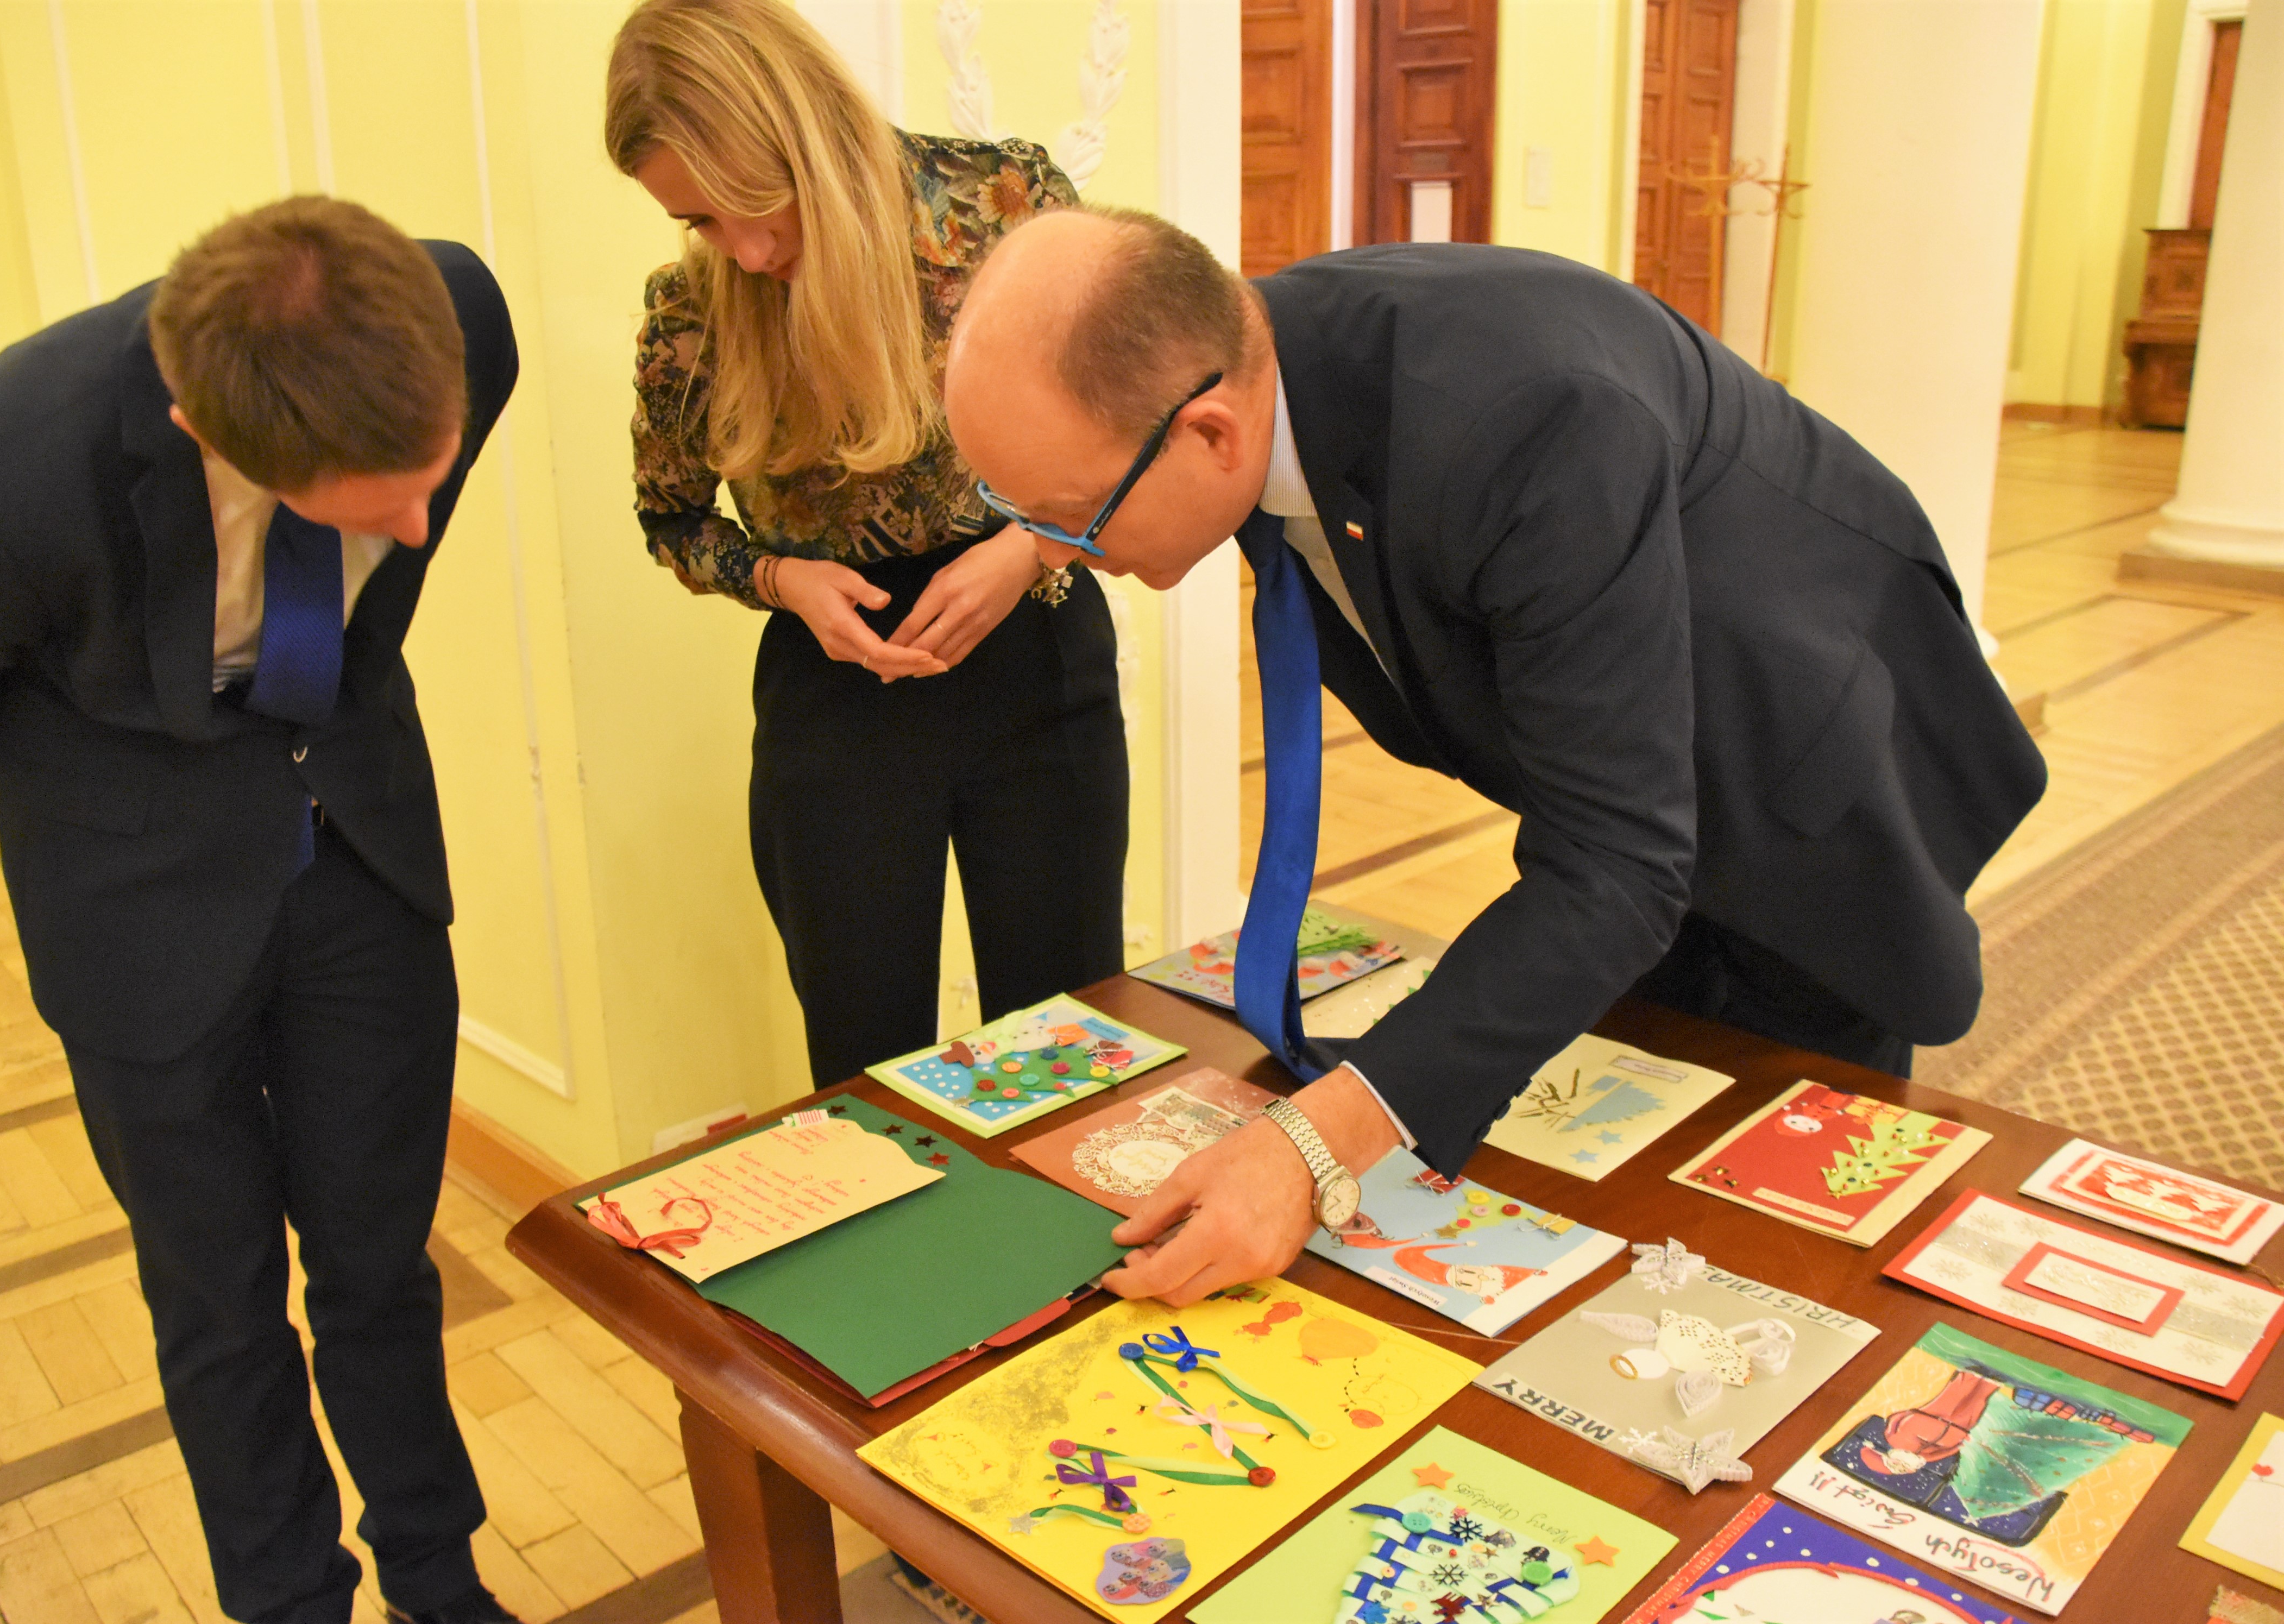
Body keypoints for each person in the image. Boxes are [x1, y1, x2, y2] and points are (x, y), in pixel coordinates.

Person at [942, 207, 2048, 1307]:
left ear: (1212, 435)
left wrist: (1314, 1148)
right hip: (1630, 781)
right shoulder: (1261, 371)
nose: (1055, 552)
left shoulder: (1522, 418)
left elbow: (1616, 867)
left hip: (1794, 775)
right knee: (1616, 1133)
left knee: (1777, 1232)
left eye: (1069, 516)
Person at [0, 198, 521, 1624]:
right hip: (133, 905)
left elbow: (399, 528)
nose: (418, 529)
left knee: (379, 1262)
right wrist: (127, 787)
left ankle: (440, 1582)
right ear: (213, 437)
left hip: (361, 850)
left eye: (431, 479)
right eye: (376, 501)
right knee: (218, 1296)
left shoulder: (461, 318)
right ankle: (292, 1607)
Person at [607, 0, 1130, 1088]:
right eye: (700, 223)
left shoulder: (1005, 206)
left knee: (1067, 1046)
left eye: (756, 202)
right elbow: (671, 517)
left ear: (801, 133)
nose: (747, 251)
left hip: (1035, 660)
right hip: (836, 700)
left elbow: (1130, 426)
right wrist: (780, 578)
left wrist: (1028, 548)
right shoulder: (692, 311)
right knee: (864, 1071)